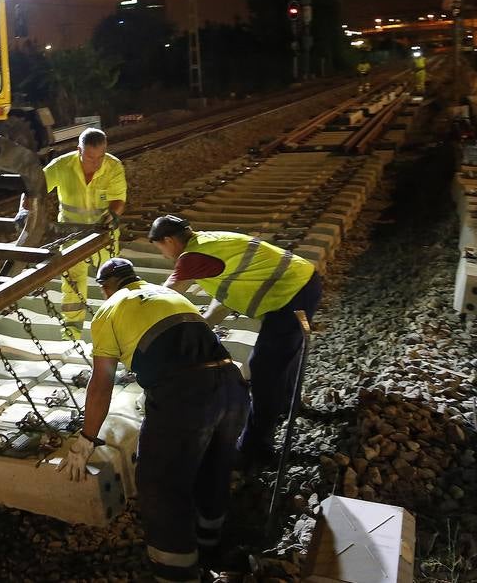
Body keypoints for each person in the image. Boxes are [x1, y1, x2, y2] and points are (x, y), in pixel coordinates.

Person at [61, 258, 247, 582]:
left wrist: (86, 440)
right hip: (232, 387)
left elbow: (102, 381)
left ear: (107, 288)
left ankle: (176, 573)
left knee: (162, 485)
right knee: (212, 469)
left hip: (185, 396)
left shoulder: (108, 311)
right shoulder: (170, 296)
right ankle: (211, 548)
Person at [147, 215, 322, 466]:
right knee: (285, 356)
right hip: (303, 282)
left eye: (160, 248)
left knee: (264, 368)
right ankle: (285, 404)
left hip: (291, 294)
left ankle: (255, 448)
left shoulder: (190, 258)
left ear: (168, 240)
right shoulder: (209, 242)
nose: (164, 255)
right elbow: (226, 291)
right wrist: (206, 323)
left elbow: (166, 296)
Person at [22, 127, 127, 340]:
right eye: (90, 157)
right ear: (78, 150)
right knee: (72, 284)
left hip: (103, 235)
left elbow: (118, 198)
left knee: (112, 280)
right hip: (71, 235)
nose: (96, 163)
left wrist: (114, 215)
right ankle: (72, 333)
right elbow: (34, 188)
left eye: (101, 157)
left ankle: (116, 329)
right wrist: (24, 211)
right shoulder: (62, 166)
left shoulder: (113, 166)